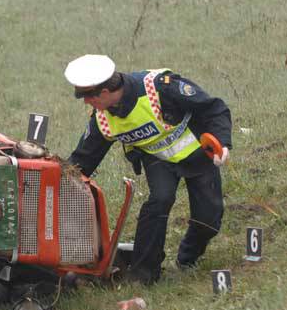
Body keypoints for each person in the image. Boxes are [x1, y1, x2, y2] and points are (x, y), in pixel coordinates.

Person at [65, 55, 232, 284]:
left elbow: (214, 108)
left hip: (198, 155)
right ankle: (143, 273)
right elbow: (84, 159)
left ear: (103, 93)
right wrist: (58, 178)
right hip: (158, 160)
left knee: (208, 219)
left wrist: (222, 143)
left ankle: (187, 260)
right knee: (159, 201)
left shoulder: (161, 88)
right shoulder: (102, 119)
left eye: (87, 97)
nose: (86, 103)